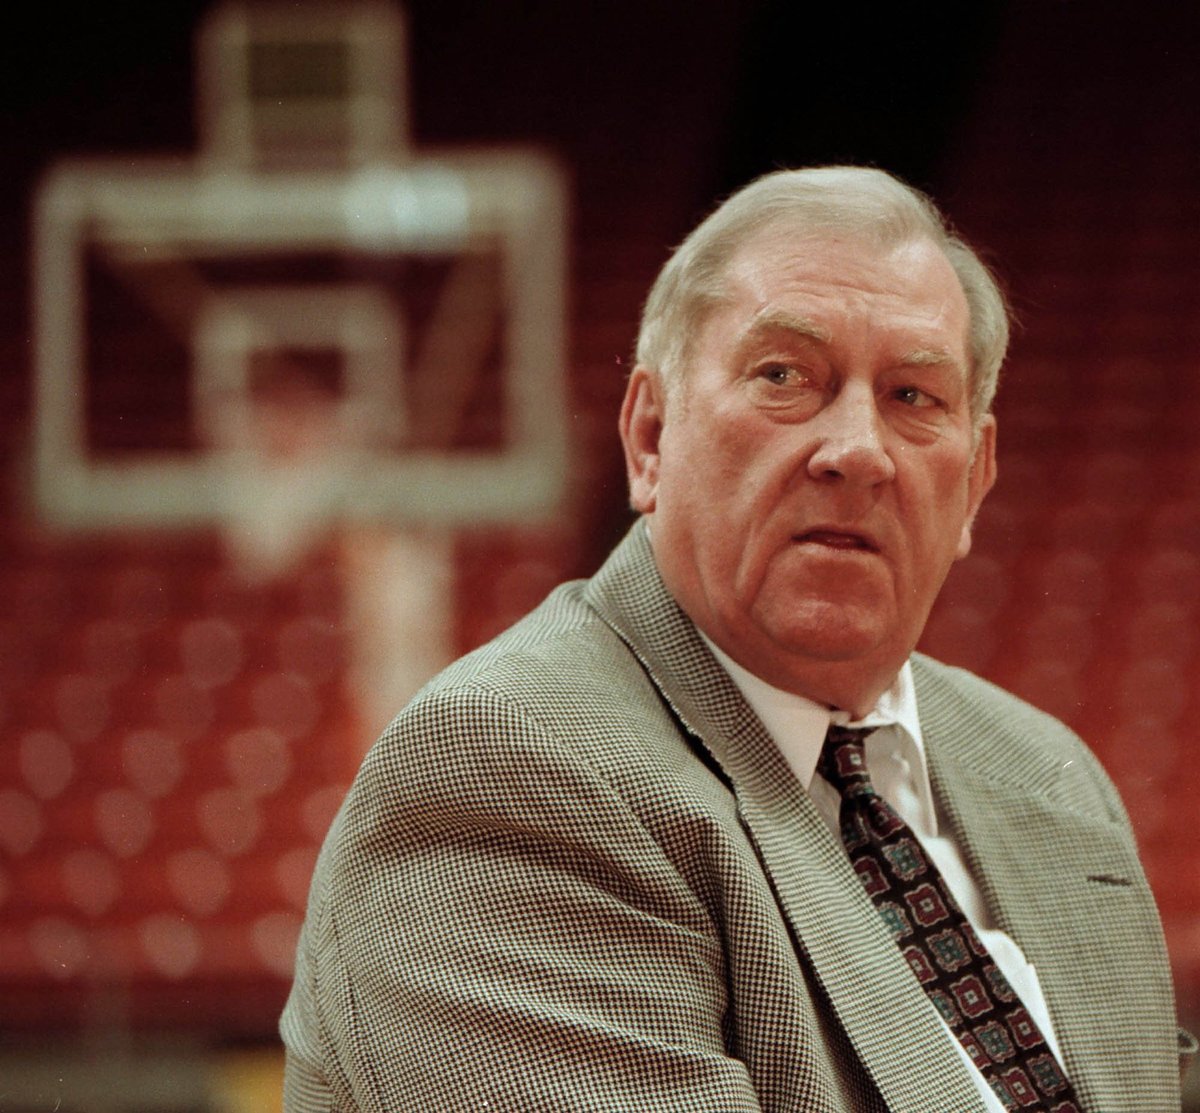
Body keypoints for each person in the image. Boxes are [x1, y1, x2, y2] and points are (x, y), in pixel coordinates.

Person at [281, 166, 1189, 1111]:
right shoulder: (506, 767)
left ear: (976, 482)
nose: (859, 450)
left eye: (915, 397)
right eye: (785, 376)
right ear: (649, 437)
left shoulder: (1053, 776)